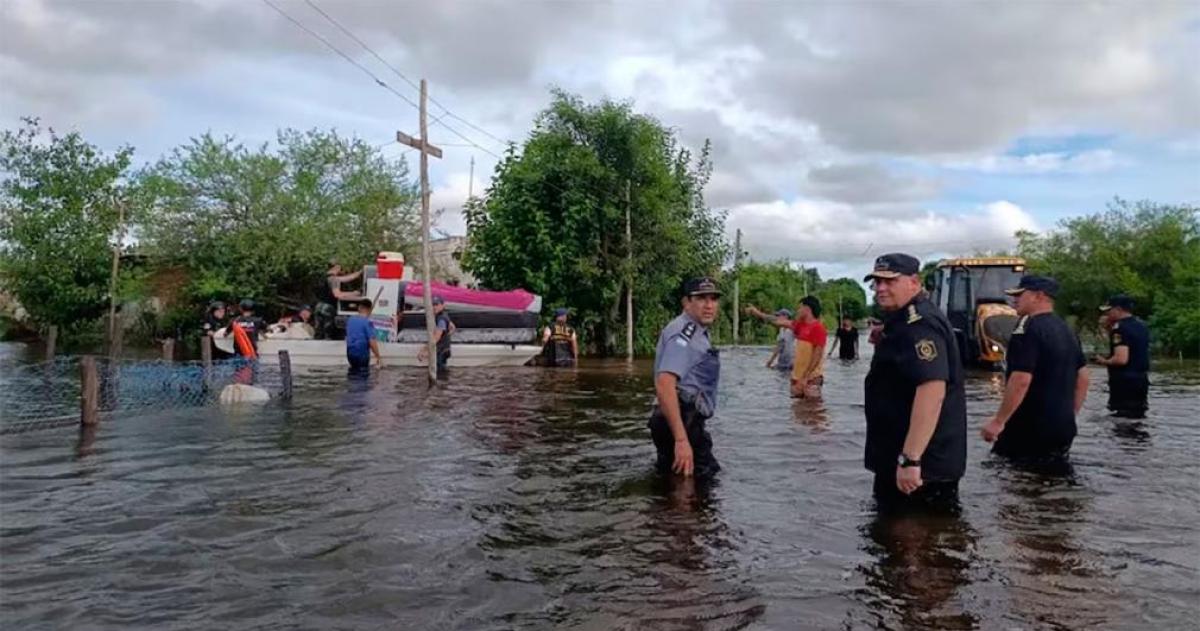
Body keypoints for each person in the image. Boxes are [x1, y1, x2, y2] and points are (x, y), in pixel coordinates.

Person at [862, 253, 967, 512]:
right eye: (876, 282)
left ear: (913, 281)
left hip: (921, 466)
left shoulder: (920, 324)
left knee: (914, 541)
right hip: (908, 459)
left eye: (890, 281)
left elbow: (932, 390)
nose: (881, 288)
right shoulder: (903, 320)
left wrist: (910, 459)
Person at [981, 276, 1089, 460]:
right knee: (1053, 478)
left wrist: (998, 421)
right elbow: (1084, 378)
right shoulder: (1067, 330)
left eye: (1020, 294)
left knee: (1012, 479)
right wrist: (1069, 415)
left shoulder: (1027, 327)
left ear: (1039, 296)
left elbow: (1021, 379)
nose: (1014, 299)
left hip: (1029, 427)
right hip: (1062, 427)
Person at [649, 277, 723, 479]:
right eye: (701, 299)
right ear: (686, 302)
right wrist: (681, 441)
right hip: (681, 421)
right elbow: (665, 384)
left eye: (713, 299)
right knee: (696, 490)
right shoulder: (684, 335)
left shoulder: (696, 331)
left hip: (683, 421)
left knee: (677, 485)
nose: (709, 305)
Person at [747, 296, 827, 398]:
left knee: (813, 410)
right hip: (797, 377)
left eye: (800, 308)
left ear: (807, 309)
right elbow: (777, 321)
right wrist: (757, 313)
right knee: (797, 410)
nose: (798, 311)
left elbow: (817, 355)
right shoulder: (800, 325)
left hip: (811, 378)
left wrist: (805, 377)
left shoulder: (818, 328)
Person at [1095, 294, 1150, 418]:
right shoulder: (1142, 326)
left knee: (1121, 418)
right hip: (1141, 380)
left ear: (1118, 309)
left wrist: (1103, 361)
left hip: (1124, 382)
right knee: (1138, 416)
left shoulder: (1120, 328)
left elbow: (1121, 359)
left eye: (1109, 310)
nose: (1107, 314)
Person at [315, 259, 363, 340]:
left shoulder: (326, 277)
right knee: (328, 333)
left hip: (319, 306)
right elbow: (337, 294)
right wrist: (354, 293)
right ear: (337, 267)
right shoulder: (334, 279)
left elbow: (345, 278)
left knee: (319, 331)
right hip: (328, 308)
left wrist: (358, 273)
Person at [417, 296, 455, 374]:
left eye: (437, 304)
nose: (434, 307)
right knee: (442, 374)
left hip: (441, 351)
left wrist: (424, 350)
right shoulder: (444, 315)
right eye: (433, 305)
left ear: (442, 305)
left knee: (439, 374)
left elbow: (436, 338)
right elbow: (452, 327)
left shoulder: (441, 319)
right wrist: (446, 337)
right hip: (446, 349)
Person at [345, 298, 382, 371]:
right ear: (370, 309)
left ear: (359, 308)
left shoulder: (350, 320)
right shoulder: (368, 322)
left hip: (350, 353)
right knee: (362, 376)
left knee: (353, 374)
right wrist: (378, 357)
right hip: (362, 353)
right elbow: (372, 341)